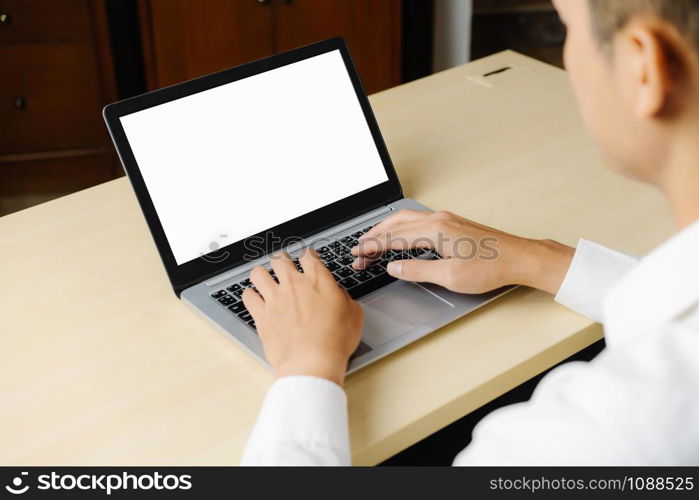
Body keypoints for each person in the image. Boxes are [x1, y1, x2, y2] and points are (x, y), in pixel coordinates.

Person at [239, 0, 699, 465]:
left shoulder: (596, 439)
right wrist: (537, 258)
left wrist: (308, 367)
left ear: (644, 67)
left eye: (567, 29)